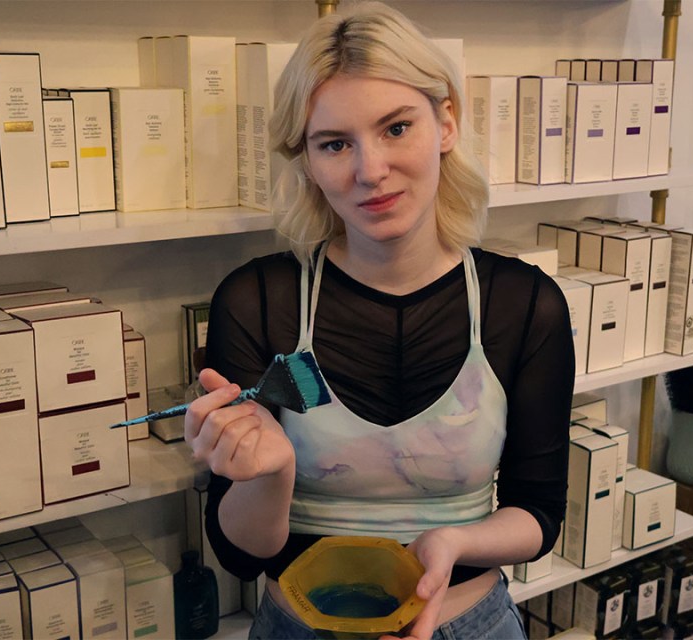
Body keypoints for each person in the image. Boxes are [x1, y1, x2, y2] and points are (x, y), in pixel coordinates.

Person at [184, 3, 575, 638]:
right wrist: (273, 472)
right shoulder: (260, 300)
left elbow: (538, 514)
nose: (370, 171)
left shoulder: (522, 305)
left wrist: (452, 542)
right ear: (307, 161)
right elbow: (237, 553)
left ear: (445, 121)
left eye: (396, 128)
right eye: (335, 143)